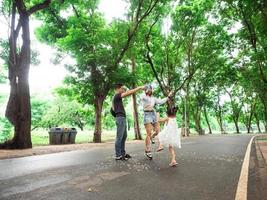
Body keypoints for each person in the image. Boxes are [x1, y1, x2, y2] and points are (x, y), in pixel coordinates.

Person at [112, 83, 145, 160]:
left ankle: (122, 153)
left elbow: (113, 108)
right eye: (122, 88)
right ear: (118, 88)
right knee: (119, 137)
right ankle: (118, 155)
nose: (124, 90)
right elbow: (128, 93)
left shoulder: (116, 98)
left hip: (121, 117)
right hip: (120, 118)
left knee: (124, 136)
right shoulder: (117, 95)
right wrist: (139, 88)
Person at [141, 85, 172, 160]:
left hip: (153, 114)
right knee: (148, 133)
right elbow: (143, 97)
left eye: (150, 89)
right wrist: (144, 89)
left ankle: (152, 138)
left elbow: (160, 102)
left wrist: (168, 97)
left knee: (158, 131)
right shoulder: (143, 96)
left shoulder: (153, 98)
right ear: (145, 90)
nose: (149, 90)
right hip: (147, 114)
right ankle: (147, 150)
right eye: (148, 89)